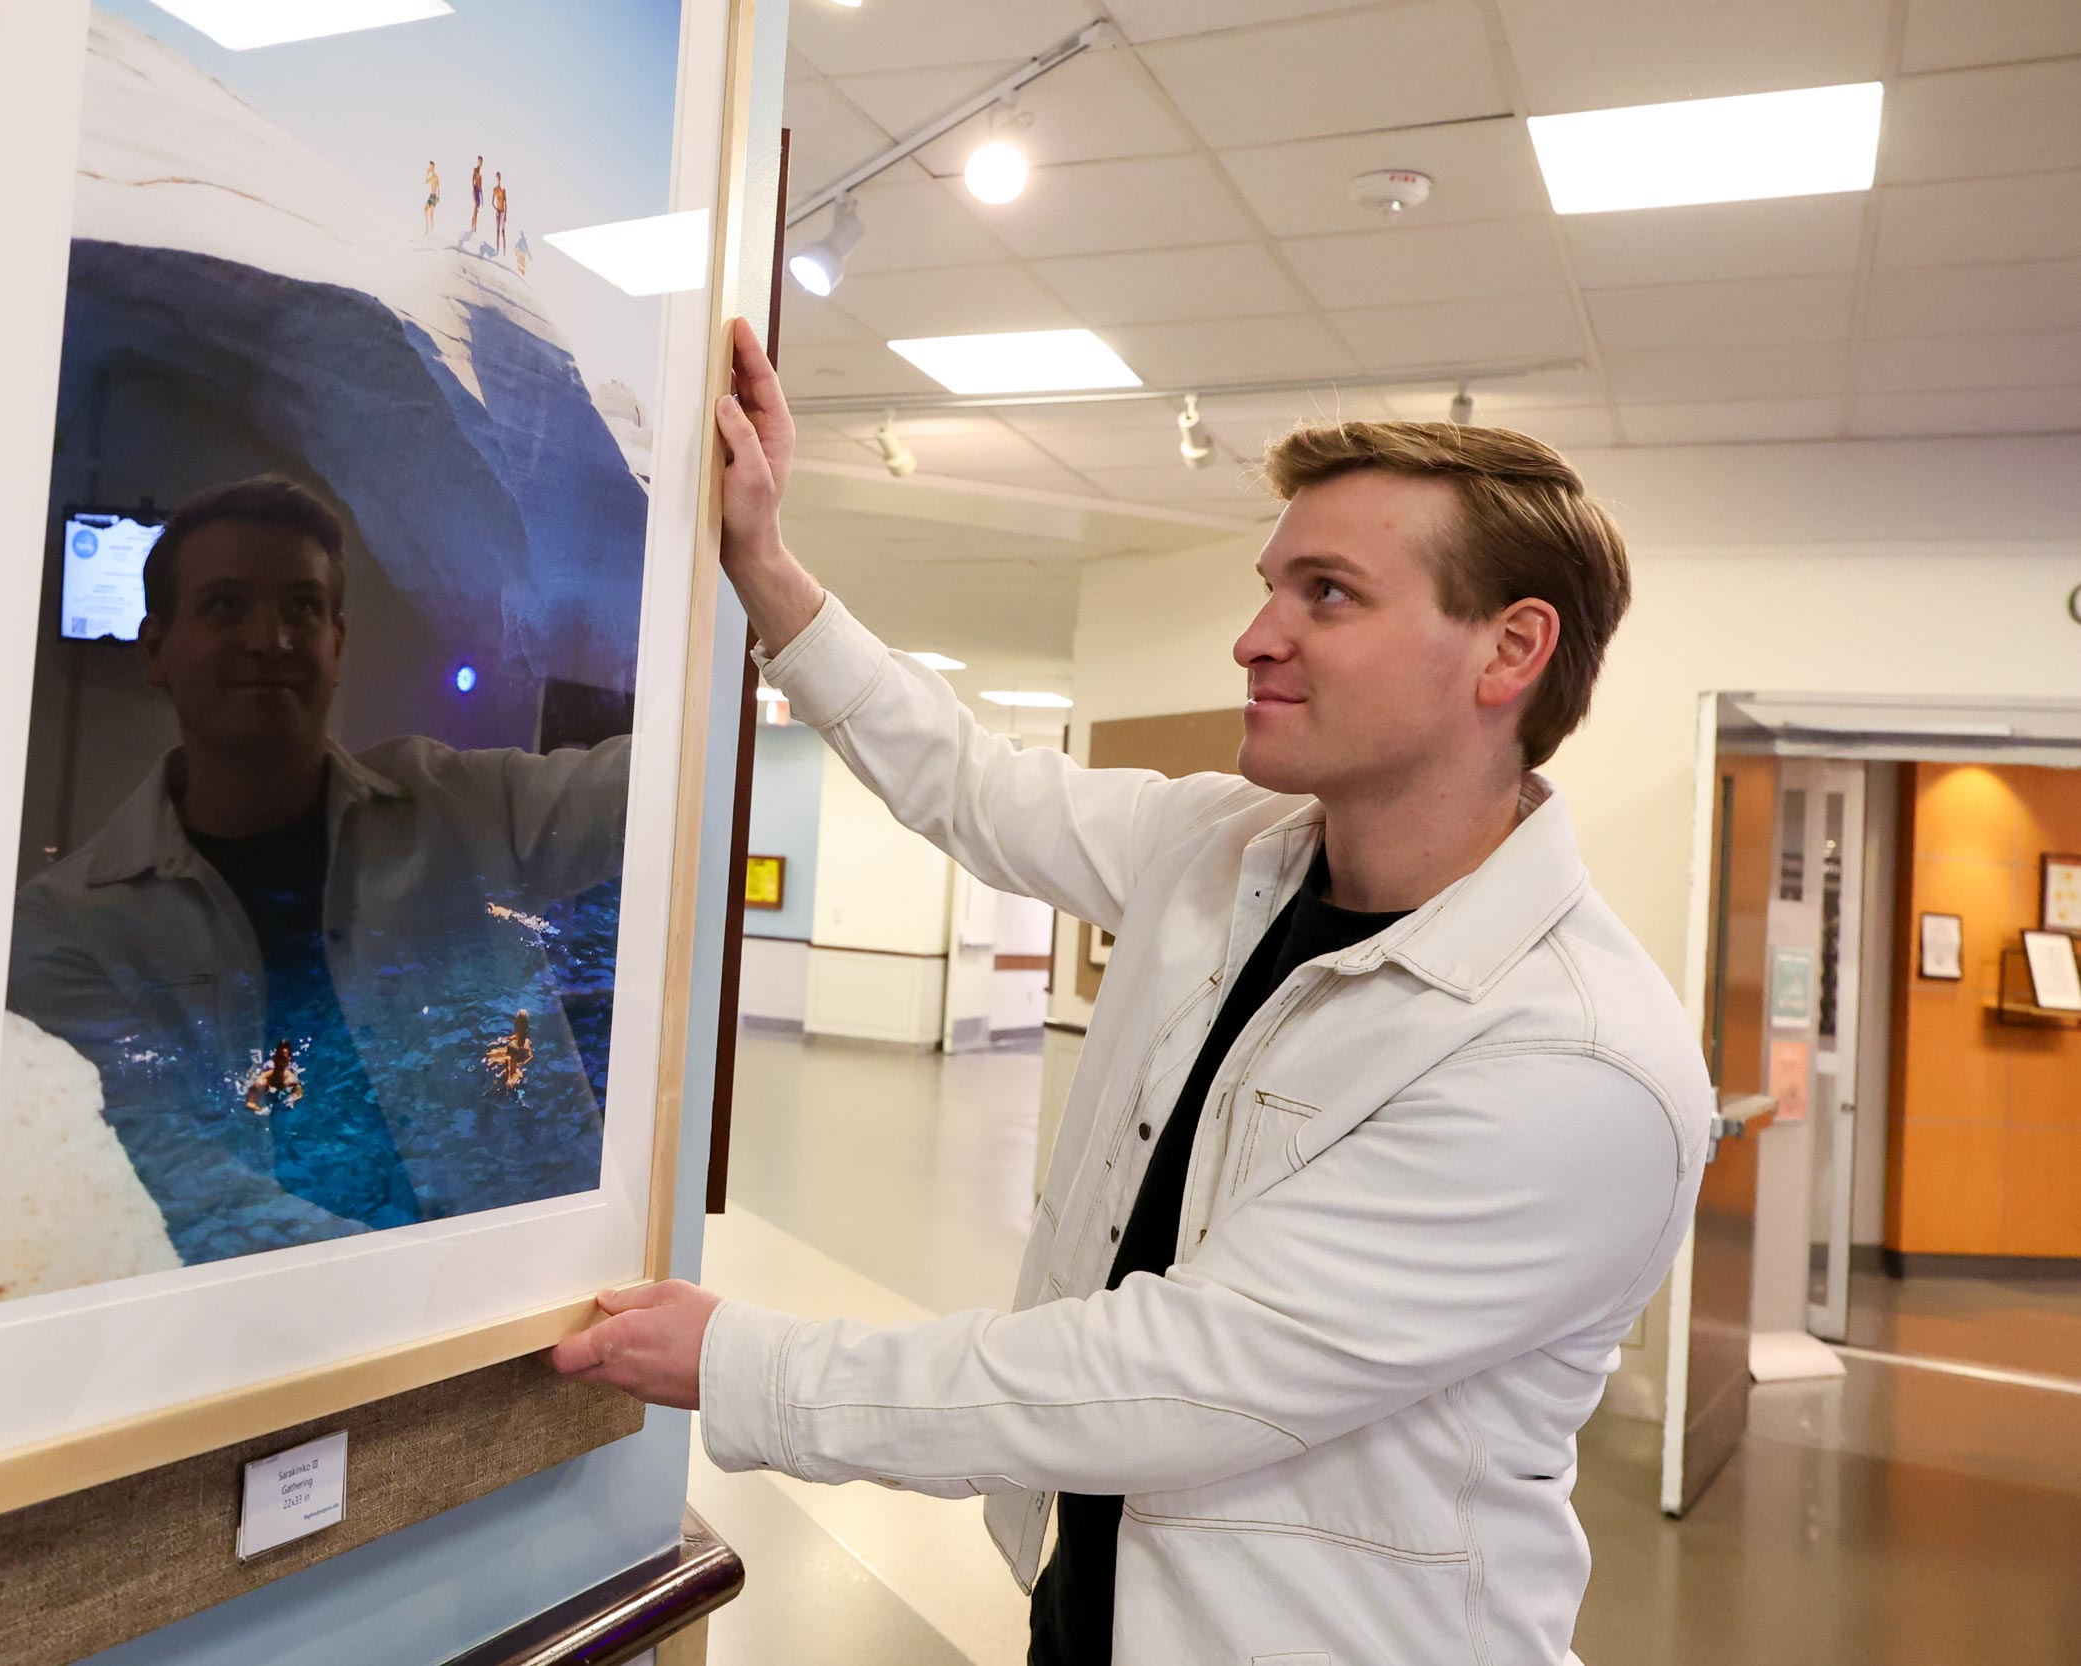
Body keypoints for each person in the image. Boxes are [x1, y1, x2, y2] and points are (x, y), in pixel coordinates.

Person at [551, 319, 1714, 1664]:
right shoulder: (1234, 851)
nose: (1253, 637)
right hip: (1099, 1611)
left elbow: (1171, 1376)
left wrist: (751, 1364)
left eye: (1326, 594)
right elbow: (976, 785)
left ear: (1510, 650)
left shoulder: (1569, 1061)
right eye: (1271, 584)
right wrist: (764, 563)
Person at [9, 476, 631, 1267]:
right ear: (155, 649)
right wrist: (406, 1292)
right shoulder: (73, 927)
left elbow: (662, 792)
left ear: (336, 643)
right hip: (273, 1350)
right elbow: (174, 1173)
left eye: (301, 608)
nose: (271, 640)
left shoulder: (466, 808)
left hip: (535, 1325)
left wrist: (775, 599)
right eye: (226, 605)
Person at [492, 173, 509, 252]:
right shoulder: (495, 189)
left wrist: (505, 215)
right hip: (498, 212)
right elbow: (492, 202)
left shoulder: (503, 190)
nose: (499, 178)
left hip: (502, 212)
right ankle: (498, 250)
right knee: (497, 232)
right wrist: (496, 209)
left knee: (503, 232)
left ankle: (504, 251)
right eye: (498, 177)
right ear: (496, 178)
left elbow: (506, 203)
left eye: (500, 177)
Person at [423, 159, 439, 235]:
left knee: (430, 213)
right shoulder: (431, 177)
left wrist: (438, 196)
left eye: (431, 166)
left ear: (434, 167)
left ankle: (431, 230)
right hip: (431, 196)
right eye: (430, 166)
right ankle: (428, 229)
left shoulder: (435, 176)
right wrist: (427, 173)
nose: (430, 168)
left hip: (434, 196)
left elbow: (439, 187)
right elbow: (426, 182)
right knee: (427, 211)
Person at [470, 155, 484, 233]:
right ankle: (473, 228)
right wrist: (473, 191)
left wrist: (482, 196)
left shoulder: (481, 175)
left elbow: (480, 186)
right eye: (479, 161)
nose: (481, 163)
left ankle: (474, 228)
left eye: (481, 162)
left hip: (478, 192)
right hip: (475, 190)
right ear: (477, 161)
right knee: (475, 209)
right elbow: (472, 180)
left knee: (476, 211)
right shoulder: (475, 170)